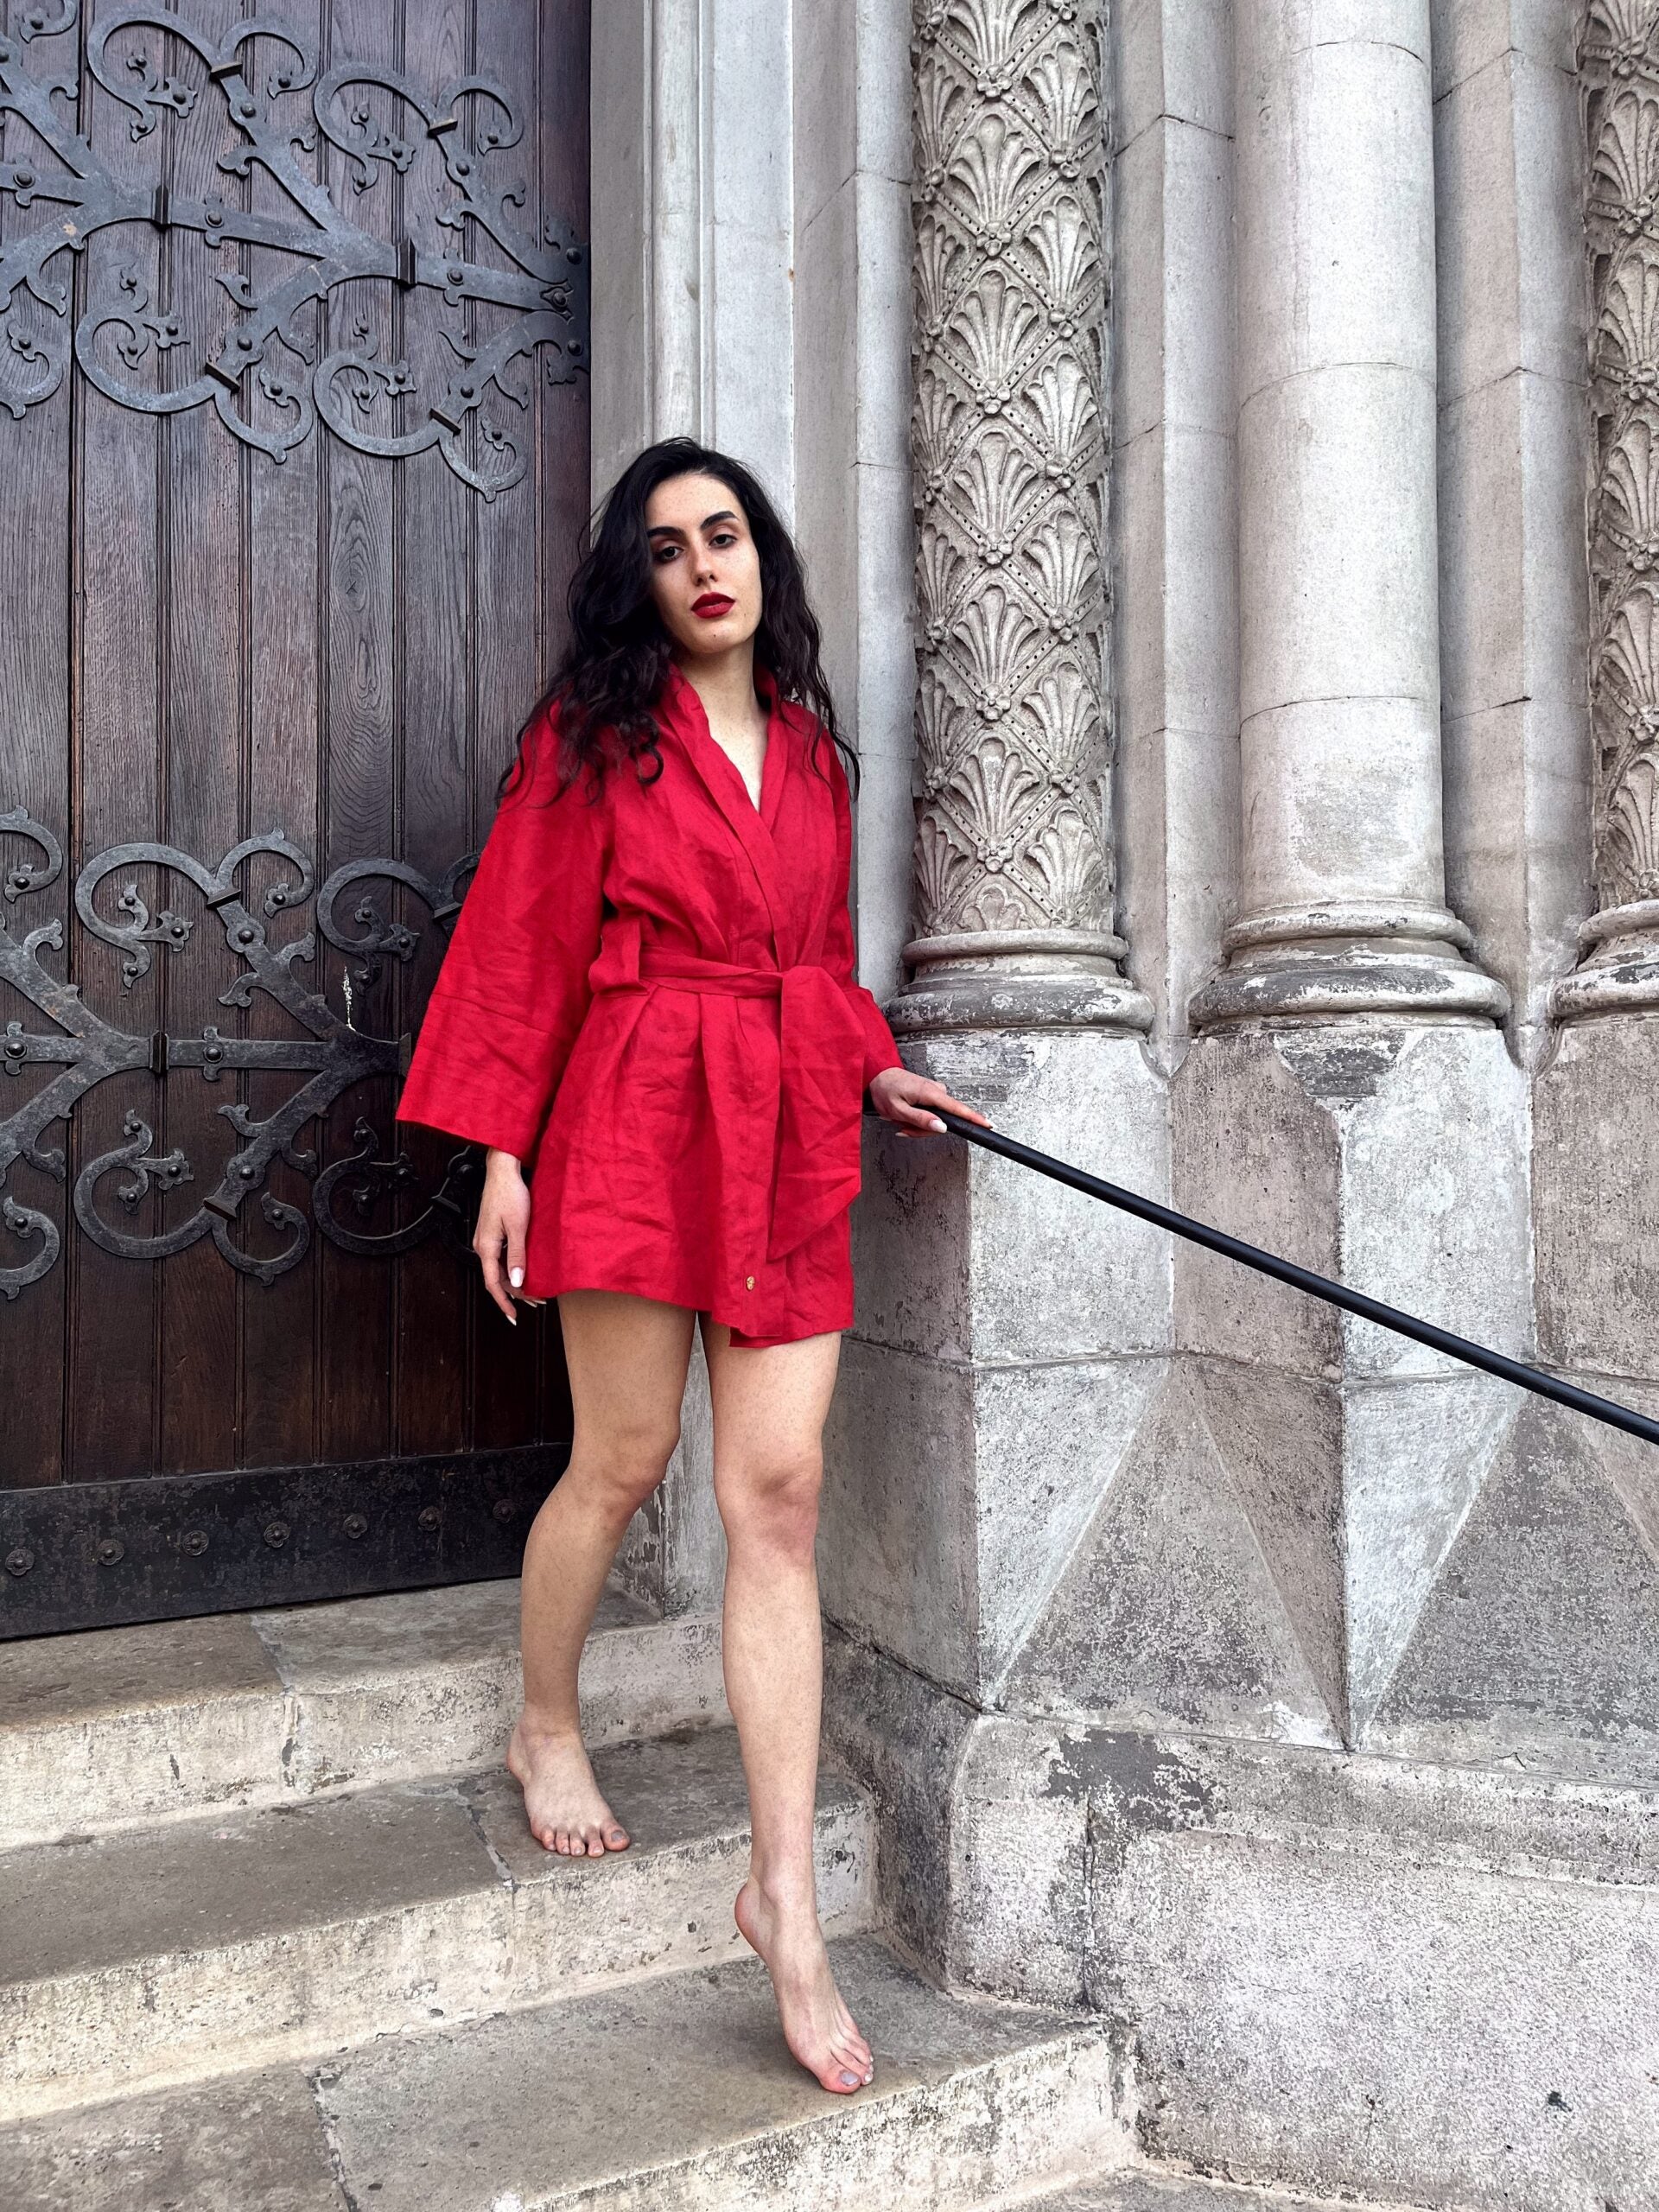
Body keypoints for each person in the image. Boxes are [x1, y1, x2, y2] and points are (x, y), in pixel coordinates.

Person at [396, 438, 988, 2099]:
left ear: (762, 556)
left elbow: (819, 957)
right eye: (665, 548)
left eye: (725, 534)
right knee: (626, 1458)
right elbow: (519, 937)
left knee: (777, 1495)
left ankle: (783, 1900)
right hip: (641, 1108)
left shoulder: (812, 752)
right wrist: (503, 1154)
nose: (702, 565)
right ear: (637, 583)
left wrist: (871, 1060)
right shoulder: (591, 740)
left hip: (791, 1116)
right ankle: (547, 1718)